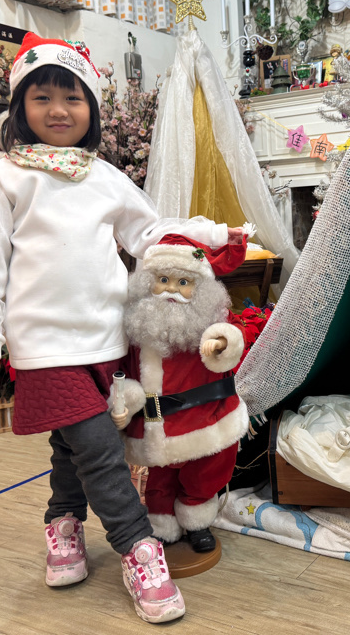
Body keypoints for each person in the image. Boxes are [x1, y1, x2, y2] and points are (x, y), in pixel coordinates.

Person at [0, 32, 243, 624]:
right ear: (19, 109)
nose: (58, 110)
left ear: (91, 109)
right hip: (44, 344)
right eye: (42, 98)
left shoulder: (104, 177)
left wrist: (209, 235)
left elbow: (148, 233)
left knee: (72, 445)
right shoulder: (5, 179)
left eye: (72, 97)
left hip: (107, 340)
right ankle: (138, 548)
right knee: (101, 451)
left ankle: (62, 525)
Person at [111, 235, 248, 554]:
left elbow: (234, 336)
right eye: (163, 280)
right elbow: (124, 372)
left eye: (183, 282)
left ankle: (197, 521)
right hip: (156, 424)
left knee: (204, 473)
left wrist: (222, 343)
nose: (171, 289)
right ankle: (162, 523)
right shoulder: (138, 325)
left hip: (204, 418)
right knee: (159, 480)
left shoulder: (210, 319)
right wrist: (124, 403)